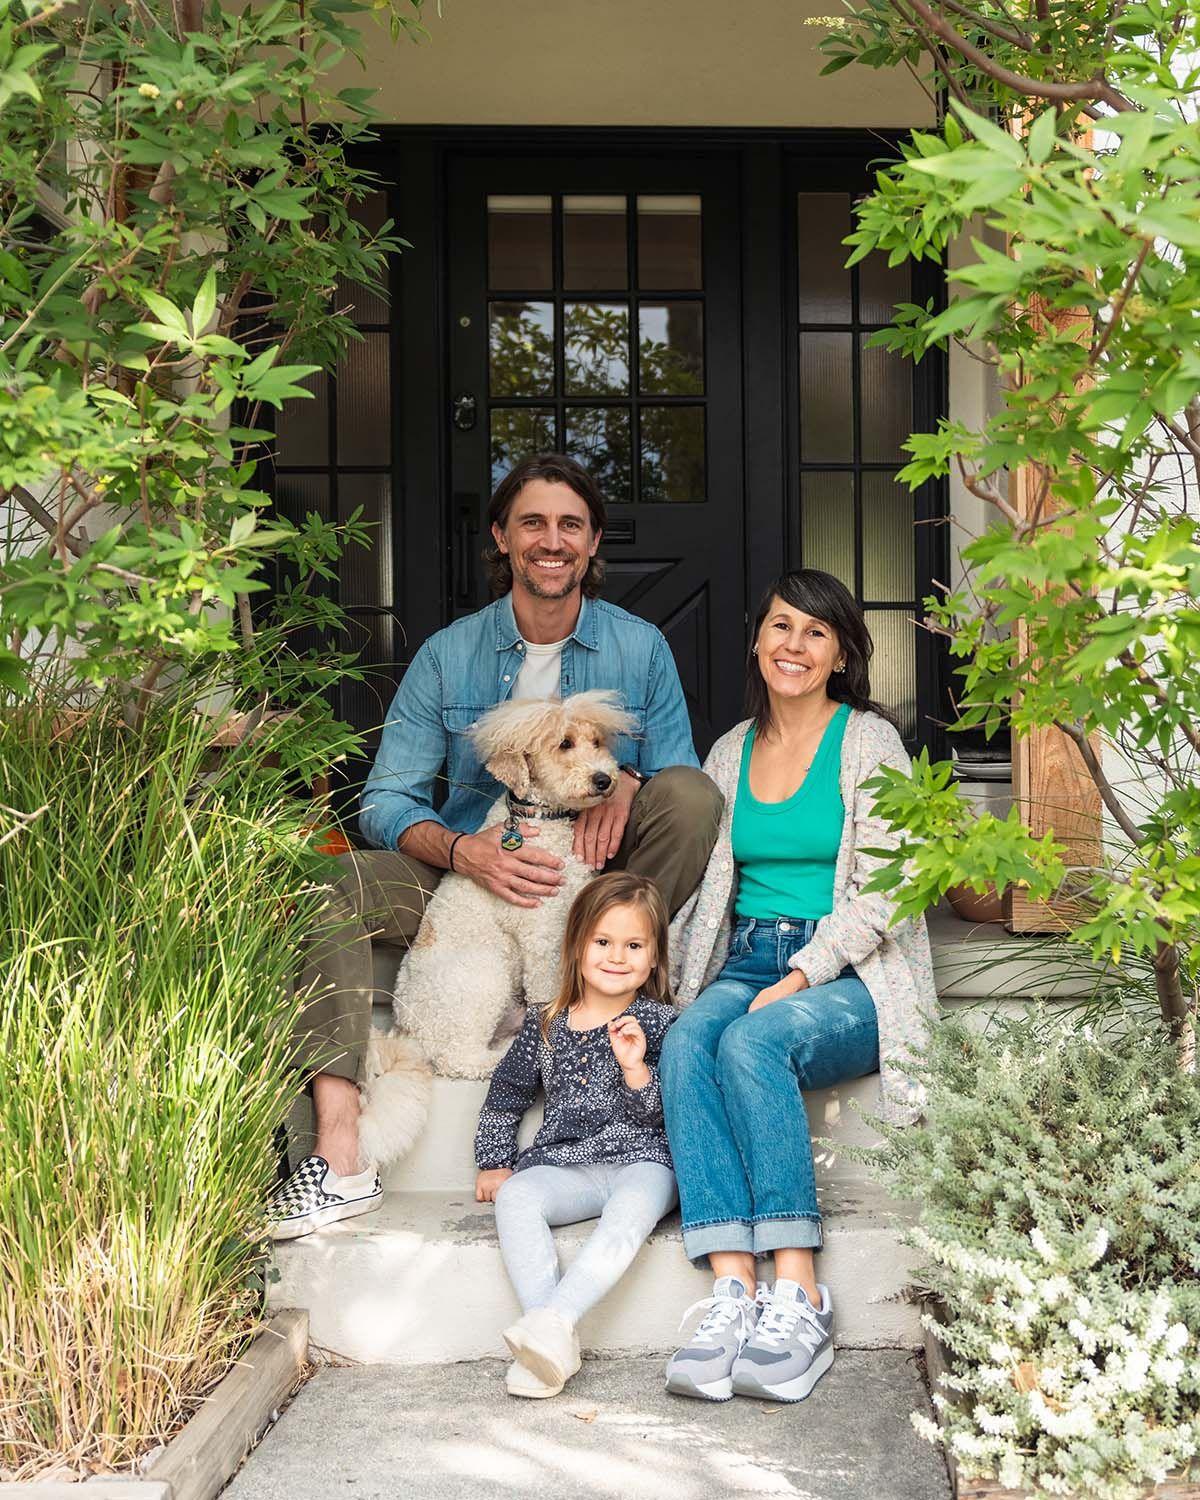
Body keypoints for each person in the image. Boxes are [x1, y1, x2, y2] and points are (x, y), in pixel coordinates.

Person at [266, 453, 721, 1240]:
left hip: (595, 878)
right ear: (503, 538)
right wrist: (461, 852)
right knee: (326, 884)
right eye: (534, 523)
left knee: (692, 796)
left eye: (570, 525)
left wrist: (628, 788)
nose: (552, 540)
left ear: (593, 543)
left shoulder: (639, 648)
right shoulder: (450, 654)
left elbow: (681, 770)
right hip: (463, 879)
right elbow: (386, 799)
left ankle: (612, 999)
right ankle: (341, 1149)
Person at [660, 569, 935, 1404]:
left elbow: (893, 885)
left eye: (816, 632)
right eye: (781, 626)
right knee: (685, 1042)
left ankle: (800, 1291)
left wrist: (805, 971)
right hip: (743, 954)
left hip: (851, 969)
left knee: (752, 1040)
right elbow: (708, 893)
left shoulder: (869, 744)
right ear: (757, 640)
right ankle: (734, 1291)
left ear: (842, 653)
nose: (794, 645)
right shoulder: (729, 750)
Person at [474, 871, 678, 1399]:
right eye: (603, 942)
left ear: (654, 957)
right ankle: (551, 1337)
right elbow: (506, 1094)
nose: (617, 956)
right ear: (577, 946)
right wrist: (495, 1160)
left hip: (644, 1160)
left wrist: (636, 1069)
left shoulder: (661, 1024)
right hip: (568, 1165)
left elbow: (665, 1118)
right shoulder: (546, 1024)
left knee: (633, 1207)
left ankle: (553, 1323)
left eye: (634, 945)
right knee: (517, 1196)